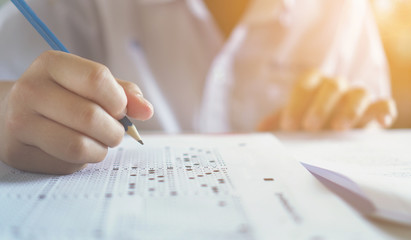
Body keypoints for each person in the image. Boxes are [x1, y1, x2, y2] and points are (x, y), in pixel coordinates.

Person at [0, 0, 397, 174]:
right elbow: (12, 90)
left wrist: (347, 130)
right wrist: (8, 113)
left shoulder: (343, 8)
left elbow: (370, 123)